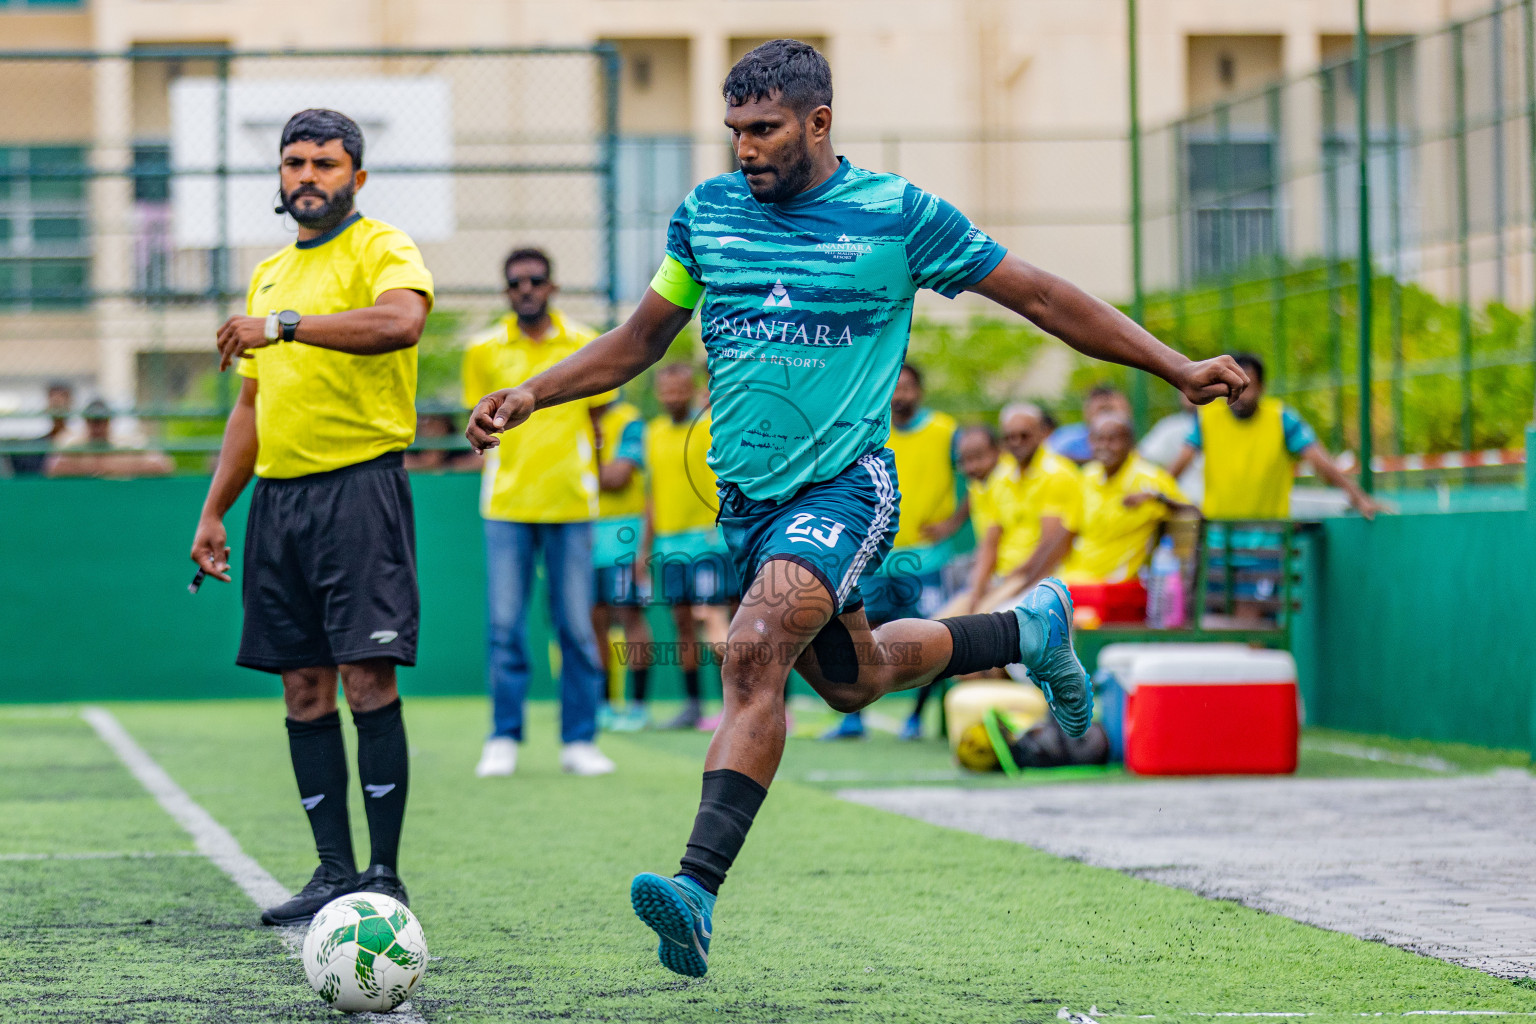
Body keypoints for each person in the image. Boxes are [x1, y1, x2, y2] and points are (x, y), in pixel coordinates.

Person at [464, 39, 1246, 978]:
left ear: (819, 122)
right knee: (852, 680)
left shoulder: (898, 215)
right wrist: (535, 392)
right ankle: (1025, 630)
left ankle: (696, 891)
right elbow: (640, 339)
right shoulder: (707, 215)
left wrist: (1173, 365)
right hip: (747, 509)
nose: (745, 148)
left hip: (845, 488)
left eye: (764, 129)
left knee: (752, 651)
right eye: (735, 130)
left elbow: (1039, 296)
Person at [188, 108, 432, 925]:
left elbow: (401, 323)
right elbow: (250, 405)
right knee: (302, 686)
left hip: (359, 489)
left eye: (325, 164)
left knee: (367, 677)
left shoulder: (381, 247)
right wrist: (214, 510)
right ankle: (332, 871)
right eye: (294, 163)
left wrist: (284, 326)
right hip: (279, 502)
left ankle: (384, 876)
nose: (307, 177)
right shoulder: (268, 274)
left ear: (356, 177)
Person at [463, 246, 615, 779]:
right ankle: (503, 737)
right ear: (506, 291)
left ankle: (580, 740)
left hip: (572, 504)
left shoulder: (584, 343)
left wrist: (594, 473)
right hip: (506, 506)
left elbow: (599, 420)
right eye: (515, 282)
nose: (525, 289)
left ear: (552, 286)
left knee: (576, 628)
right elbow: (476, 424)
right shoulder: (482, 349)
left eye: (535, 280)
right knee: (505, 627)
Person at [823, 362, 964, 740]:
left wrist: (954, 522)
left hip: (927, 559)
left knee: (933, 634)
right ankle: (853, 718)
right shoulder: (869, 430)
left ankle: (917, 719)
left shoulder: (945, 430)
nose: (900, 394)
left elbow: (981, 476)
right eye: (895, 387)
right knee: (859, 637)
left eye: (908, 387)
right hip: (875, 557)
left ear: (920, 391)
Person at [1168, 352, 1382, 522]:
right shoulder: (1207, 419)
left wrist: (1359, 498)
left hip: (1270, 537)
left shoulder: (1282, 419)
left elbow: (1321, 463)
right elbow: (1177, 467)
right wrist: (1161, 496)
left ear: (1262, 388)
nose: (1239, 394)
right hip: (1219, 536)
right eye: (1231, 385)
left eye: (1246, 387)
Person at [641, 363, 736, 730]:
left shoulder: (711, 425)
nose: (673, 397)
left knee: (712, 618)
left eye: (680, 389)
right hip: (669, 545)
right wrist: (645, 547)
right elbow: (652, 494)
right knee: (682, 622)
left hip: (708, 542)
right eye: (666, 390)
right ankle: (693, 704)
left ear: (692, 389)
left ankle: (733, 704)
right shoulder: (652, 433)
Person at [951, 402, 1082, 616]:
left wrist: (1011, 583)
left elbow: (1051, 546)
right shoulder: (1001, 477)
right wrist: (978, 590)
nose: (1016, 442)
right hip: (1004, 579)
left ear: (1041, 433)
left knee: (982, 623)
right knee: (942, 622)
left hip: (1040, 581)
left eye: (1024, 435)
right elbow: (990, 542)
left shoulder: (1057, 473)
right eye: (1010, 437)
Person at [1051, 413, 1195, 587]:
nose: (1104, 446)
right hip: (1075, 576)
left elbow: (1194, 514)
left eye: (1113, 440)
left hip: (1116, 582)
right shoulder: (1088, 476)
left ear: (1130, 443)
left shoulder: (1149, 479)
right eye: (1098, 439)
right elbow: (1070, 529)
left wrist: (1158, 499)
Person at [592, 396, 654, 732]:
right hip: (583, 535)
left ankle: (639, 706)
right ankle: (603, 705)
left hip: (623, 537)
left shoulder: (630, 420)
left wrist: (573, 471)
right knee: (594, 620)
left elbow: (617, 478)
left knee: (630, 616)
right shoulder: (572, 417)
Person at [44, 399, 174, 479]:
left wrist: (113, 467)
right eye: (93, 421)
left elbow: (163, 465)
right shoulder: (73, 444)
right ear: (86, 421)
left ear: (109, 421)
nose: (97, 427)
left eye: (101, 421)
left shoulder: (125, 443)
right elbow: (52, 468)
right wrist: (91, 469)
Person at [1047, 384, 1131, 465]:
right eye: (1101, 409)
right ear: (1086, 411)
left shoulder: (1130, 437)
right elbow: (1050, 459)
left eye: (1110, 410)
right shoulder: (1066, 437)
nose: (1105, 416)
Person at [402, 412, 478, 472]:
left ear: (446, 425)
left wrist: (445, 464)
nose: (428, 425)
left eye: (434, 420)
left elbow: (479, 460)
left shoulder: (454, 443)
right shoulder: (415, 442)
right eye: (424, 420)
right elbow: (402, 462)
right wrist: (424, 463)